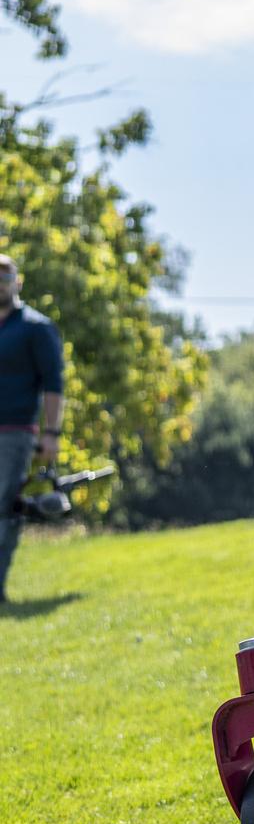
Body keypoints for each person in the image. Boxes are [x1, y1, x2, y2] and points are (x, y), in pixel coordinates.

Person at [0, 254, 65, 604]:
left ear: (18, 282)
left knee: (3, 507)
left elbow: (53, 383)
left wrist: (51, 433)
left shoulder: (36, 327)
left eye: (4, 277)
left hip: (14, 433)